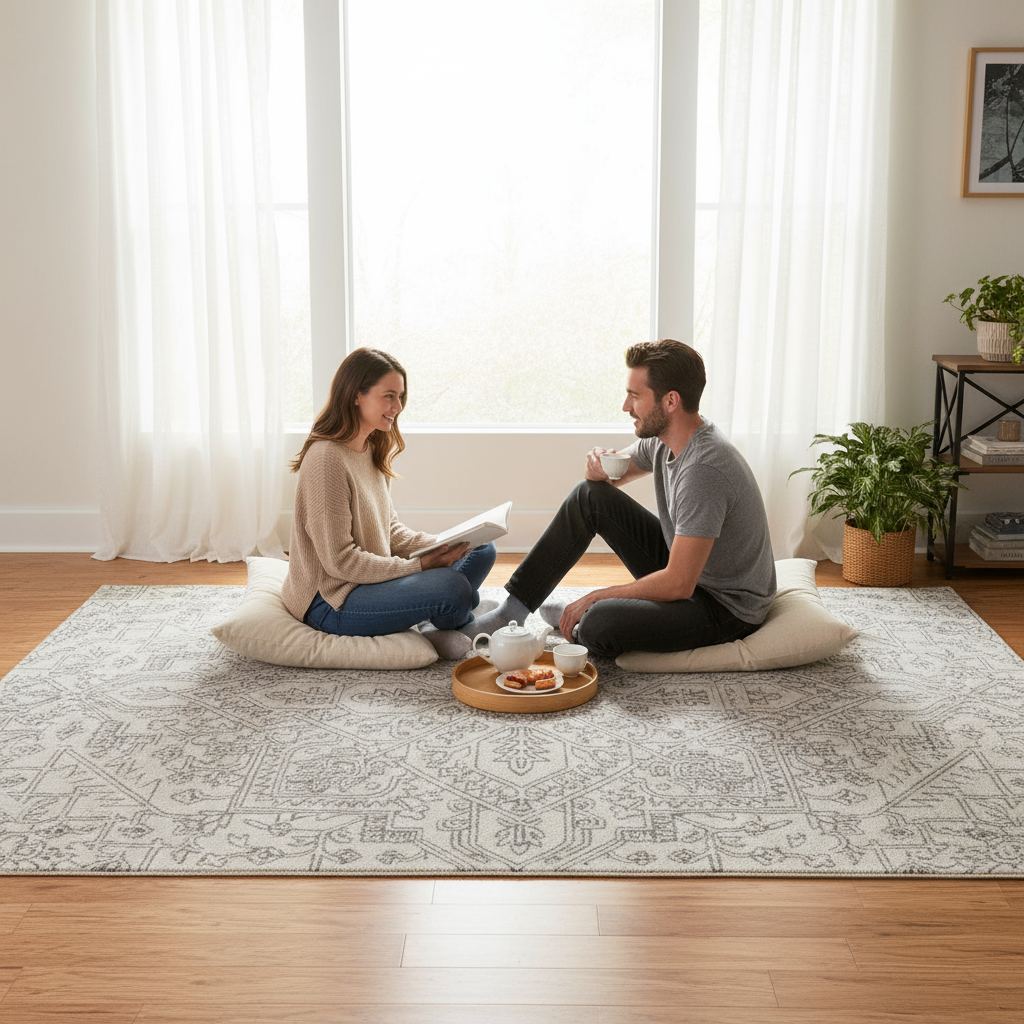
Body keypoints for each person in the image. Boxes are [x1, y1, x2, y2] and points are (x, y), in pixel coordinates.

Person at [464, 339, 776, 659]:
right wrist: (596, 465)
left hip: (725, 607)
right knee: (589, 496)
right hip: (690, 572)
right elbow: (608, 480)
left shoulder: (703, 470)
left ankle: (584, 619)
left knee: (601, 624)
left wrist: (596, 597)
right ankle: (510, 612)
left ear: (670, 401)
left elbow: (679, 584)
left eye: (635, 396)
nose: (626, 406)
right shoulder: (667, 439)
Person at [282, 347, 495, 659]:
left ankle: (445, 620)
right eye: (389, 396)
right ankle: (454, 619)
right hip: (332, 601)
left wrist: (442, 545)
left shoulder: (369, 447)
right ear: (357, 395)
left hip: (368, 582)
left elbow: (389, 530)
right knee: (454, 589)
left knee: (480, 548)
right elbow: (340, 562)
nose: (397, 407)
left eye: (400, 397)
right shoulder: (326, 459)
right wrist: (420, 565)